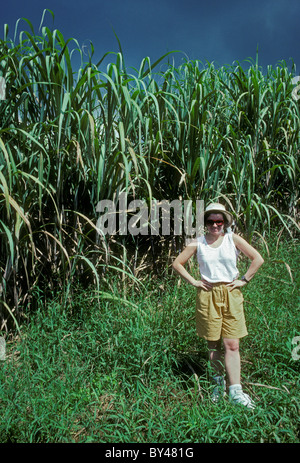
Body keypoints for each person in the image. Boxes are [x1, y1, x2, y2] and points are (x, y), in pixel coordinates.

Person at [172, 202, 264, 409]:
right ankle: (217, 385)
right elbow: (177, 263)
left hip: (231, 293)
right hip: (207, 294)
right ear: (205, 223)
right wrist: (194, 281)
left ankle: (236, 392)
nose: (215, 225)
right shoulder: (198, 242)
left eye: (219, 221)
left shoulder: (233, 239)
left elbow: (258, 258)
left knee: (232, 344)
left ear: (225, 222)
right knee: (213, 344)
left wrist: (244, 279)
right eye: (211, 221)